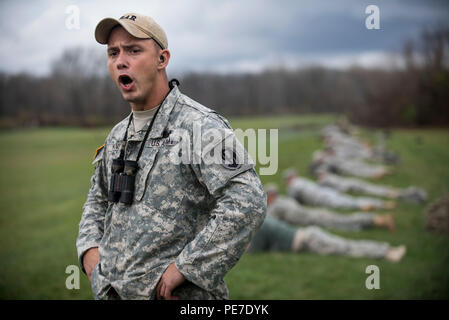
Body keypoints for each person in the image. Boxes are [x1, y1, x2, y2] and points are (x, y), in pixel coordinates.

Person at [76, 13, 266, 300]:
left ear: (162, 59)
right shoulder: (118, 135)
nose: (120, 61)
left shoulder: (199, 126)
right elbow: (98, 199)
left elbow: (247, 203)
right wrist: (90, 251)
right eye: (113, 52)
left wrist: (187, 268)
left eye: (134, 50)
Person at [247, 216, 406, 262]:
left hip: (309, 240)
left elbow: (255, 250)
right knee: (347, 245)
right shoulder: (264, 219)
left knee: (347, 248)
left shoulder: (259, 225)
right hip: (310, 235)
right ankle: (386, 249)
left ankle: (387, 253)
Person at [265, 184, 396, 232]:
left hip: (315, 219)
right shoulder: (284, 199)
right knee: (345, 219)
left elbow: (269, 223)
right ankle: (378, 219)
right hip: (315, 213)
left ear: (270, 196)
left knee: (345, 221)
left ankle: (380, 220)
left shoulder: (275, 206)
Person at [284, 169, 396, 211]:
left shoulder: (293, 186)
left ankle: (376, 205)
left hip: (323, 199)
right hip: (327, 192)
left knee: (351, 204)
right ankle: (381, 203)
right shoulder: (301, 180)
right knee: (351, 199)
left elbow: (292, 202)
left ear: (288, 179)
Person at [317, 172, 427, 204]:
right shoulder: (323, 180)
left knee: (380, 189)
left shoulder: (327, 176)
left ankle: (408, 193)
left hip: (353, 184)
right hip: (352, 186)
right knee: (380, 191)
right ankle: (409, 196)